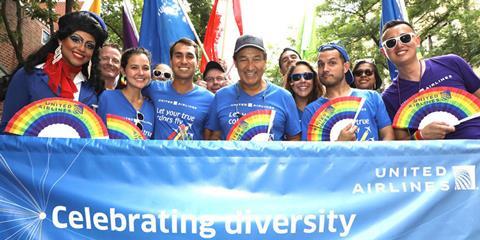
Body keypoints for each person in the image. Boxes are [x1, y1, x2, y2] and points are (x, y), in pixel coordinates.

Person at [0, 11, 108, 132]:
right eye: (75, 39)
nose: (82, 48)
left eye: (89, 46)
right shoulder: (27, 76)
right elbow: (7, 132)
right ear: (60, 40)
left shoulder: (93, 89)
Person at [380, 20, 480, 140]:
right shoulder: (389, 97)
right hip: (438, 157)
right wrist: (420, 136)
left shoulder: (452, 62)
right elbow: (400, 145)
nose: (399, 45)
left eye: (405, 38)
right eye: (391, 43)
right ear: (384, 52)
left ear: (417, 41)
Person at [206, 35, 301, 141]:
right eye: (243, 59)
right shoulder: (221, 96)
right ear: (235, 62)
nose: (250, 67)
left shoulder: (284, 97)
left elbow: (295, 138)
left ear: (265, 61)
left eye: (256, 59)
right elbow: (213, 136)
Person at [302, 43, 394, 141]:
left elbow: (388, 135)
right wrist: (339, 144)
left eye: (332, 63)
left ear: (345, 67)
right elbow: (310, 154)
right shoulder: (310, 111)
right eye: (320, 64)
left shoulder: (372, 97)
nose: (325, 69)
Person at [143, 38, 214, 140]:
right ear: (171, 61)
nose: (184, 61)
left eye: (189, 56)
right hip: (155, 155)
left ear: (197, 63)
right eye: (178, 56)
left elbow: (210, 141)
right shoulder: (152, 88)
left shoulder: (210, 100)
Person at [97, 48, 155, 139]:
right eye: (134, 68)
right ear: (123, 71)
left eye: (145, 68)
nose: (140, 73)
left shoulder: (152, 107)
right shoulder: (107, 97)